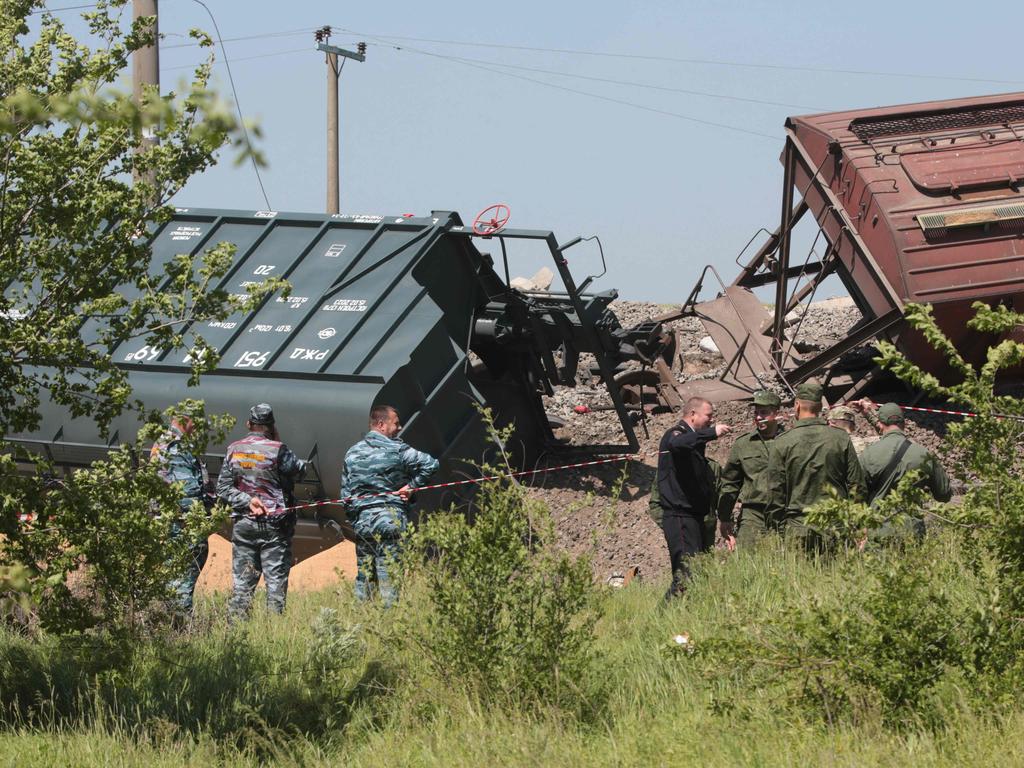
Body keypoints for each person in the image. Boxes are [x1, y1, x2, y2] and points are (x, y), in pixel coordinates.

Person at [341, 405, 438, 606]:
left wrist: (357, 519)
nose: (400, 427)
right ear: (381, 424)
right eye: (396, 423)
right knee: (389, 573)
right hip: (390, 519)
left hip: (363, 523)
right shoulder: (398, 449)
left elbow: (346, 495)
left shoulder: (352, 453)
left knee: (365, 573)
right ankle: (389, 619)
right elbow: (431, 464)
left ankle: (361, 616)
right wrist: (411, 487)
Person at [216, 403, 306, 618]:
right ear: (271, 426)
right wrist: (277, 441)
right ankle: (273, 630)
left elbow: (223, 488)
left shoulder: (233, 449)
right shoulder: (278, 449)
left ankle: (237, 631)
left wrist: (247, 501)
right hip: (275, 526)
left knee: (242, 584)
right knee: (275, 585)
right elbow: (299, 471)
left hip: (244, 524)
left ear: (249, 424)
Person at [765, 382, 864, 549]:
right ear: (820, 407)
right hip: (836, 526)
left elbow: (775, 491)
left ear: (797, 405)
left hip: (798, 528)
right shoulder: (840, 438)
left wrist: (778, 529)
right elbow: (856, 485)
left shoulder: (782, 442)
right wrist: (857, 523)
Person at [656, 396, 731, 599]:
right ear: (692, 415)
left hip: (693, 517)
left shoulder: (693, 440)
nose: (711, 419)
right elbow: (677, 444)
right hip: (680, 516)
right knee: (685, 575)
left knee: (695, 572)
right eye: (708, 416)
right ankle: (662, 619)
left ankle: (684, 618)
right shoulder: (676, 434)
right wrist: (711, 433)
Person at [151, 414, 210, 618]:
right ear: (185, 421)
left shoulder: (173, 444)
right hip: (182, 519)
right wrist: (197, 512)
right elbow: (184, 487)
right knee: (187, 561)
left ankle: (174, 613)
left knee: (184, 562)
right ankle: (181, 617)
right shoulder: (174, 446)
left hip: (179, 517)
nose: (198, 427)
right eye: (196, 422)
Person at [717, 389, 785, 547]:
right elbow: (730, 482)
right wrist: (725, 517)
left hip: (785, 512)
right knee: (748, 557)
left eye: (764, 412)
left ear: (776, 413)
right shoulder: (743, 445)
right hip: (753, 513)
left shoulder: (791, 441)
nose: (759, 417)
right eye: (756, 413)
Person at [859, 402, 951, 513]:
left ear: (880, 424)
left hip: (877, 524)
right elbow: (944, 494)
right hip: (912, 527)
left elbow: (857, 494)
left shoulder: (868, 454)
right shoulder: (924, 454)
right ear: (904, 423)